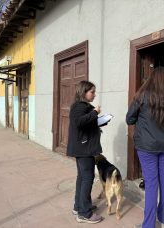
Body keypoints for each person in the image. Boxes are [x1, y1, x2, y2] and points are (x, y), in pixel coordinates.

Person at [126, 67, 164, 228]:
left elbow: (129, 119)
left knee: (151, 184)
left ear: (152, 79)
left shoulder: (142, 96)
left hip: (147, 146)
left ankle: (149, 225)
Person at [67, 80, 103, 224]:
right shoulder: (79, 106)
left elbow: (84, 124)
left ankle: (79, 206)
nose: (94, 94)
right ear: (84, 92)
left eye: (94, 92)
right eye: (92, 92)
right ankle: (84, 213)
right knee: (87, 178)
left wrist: (98, 121)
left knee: (82, 177)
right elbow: (79, 122)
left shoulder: (82, 106)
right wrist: (94, 112)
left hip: (84, 147)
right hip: (84, 149)